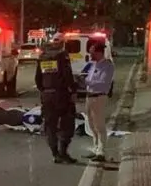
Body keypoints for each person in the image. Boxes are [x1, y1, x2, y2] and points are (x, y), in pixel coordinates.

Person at [35, 33, 78, 164]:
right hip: (62, 95)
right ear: (62, 43)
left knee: (50, 125)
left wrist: (45, 91)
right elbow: (67, 75)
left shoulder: (42, 57)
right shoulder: (62, 55)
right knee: (67, 123)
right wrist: (73, 90)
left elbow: (38, 79)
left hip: (47, 96)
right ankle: (63, 152)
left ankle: (55, 154)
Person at [83, 42, 115, 162]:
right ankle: (96, 148)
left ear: (98, 52)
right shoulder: (93, 65)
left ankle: (102, 151)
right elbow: (88, 78)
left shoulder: (107, 66)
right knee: (91, 125)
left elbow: (103, 82)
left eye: (92, 53)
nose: (90, 55)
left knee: (99, 125)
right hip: (89, 97)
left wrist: (86, 82)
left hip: (99, 97)